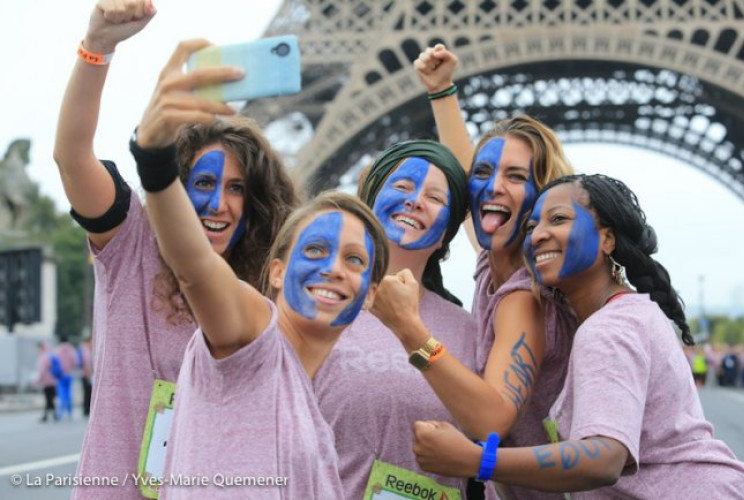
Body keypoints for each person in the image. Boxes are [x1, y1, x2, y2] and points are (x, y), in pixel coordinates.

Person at [52, 1, 297, 498]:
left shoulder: (260, 296)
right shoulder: (131, 243)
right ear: (174, 186)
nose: (220, 203)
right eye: (204, 182)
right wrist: (98, 47)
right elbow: (71, 156)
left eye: (237, 189)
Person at [412, 174, 744, 497]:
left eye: (558, 219)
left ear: (607, 238)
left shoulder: (608, 328)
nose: (538, 234)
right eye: (532, 226)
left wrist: (478, 461)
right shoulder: (630, 312)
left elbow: (603, 458)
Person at [135, 105, 389, 497]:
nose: (334, 269)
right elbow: (197, 267)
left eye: (354, 259)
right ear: (276, 272)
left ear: (371, 294)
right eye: (316, 249)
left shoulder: (315, 429)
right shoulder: (254, 340)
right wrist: (155, 163)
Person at [374, 44, 576, 499]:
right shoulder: (495, 258)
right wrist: (442, 92)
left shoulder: (524, 295)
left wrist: (410, 329)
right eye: (485, 173)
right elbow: (471, 172)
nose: (493, 186)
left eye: (517, 177)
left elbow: (492, 419)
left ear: (541, 199)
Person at [313, 140, 479, 499]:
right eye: (402, 186)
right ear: (370, 201)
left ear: (445, 238)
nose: (415, 200)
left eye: (435, 198)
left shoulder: (468, 331)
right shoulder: (318, 303)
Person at [55, 337, 78, 420]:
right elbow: (76, 362)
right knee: (69, 394)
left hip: (61, 375)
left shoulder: (57, 350)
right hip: (69, 374)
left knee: (61, 393)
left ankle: (60, 412)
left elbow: (55, 363)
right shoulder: (72, 350)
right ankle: (70, 412)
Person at [35, 342, 58, 423]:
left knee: (48, 399)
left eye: (38, 348)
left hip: (46, 381)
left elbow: (42, 370)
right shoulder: (50, 355)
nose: (37, 350)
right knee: (50, 399)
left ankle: (48, 415)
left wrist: (37, 381)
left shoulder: (43, 357)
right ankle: (52, 415)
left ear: (41, 348)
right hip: (52, 380)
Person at [77, 338, 93, 417]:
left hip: (83, 374)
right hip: (87, 374)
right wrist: (88, 372)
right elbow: (87, 363)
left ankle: (85, 409)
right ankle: (87, 409)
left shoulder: (81, 349)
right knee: (88, 393)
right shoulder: (86, 350)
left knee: (86, 392)